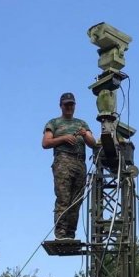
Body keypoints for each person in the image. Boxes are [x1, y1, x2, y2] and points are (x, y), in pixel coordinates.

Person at [42, 92, 96, 240]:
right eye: (66, 104)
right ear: (61, 106)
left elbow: (93, 144)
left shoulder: (82, 123)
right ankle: (60, 233)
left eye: (71, 104)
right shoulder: (54, 123)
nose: (69, 107)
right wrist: (64, 138)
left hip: (80, 162)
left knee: (76, 200)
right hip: (63, 161)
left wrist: (85, 134)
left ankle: (70, 234)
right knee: (63, 199)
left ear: (75, 105)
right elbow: (46, 143)